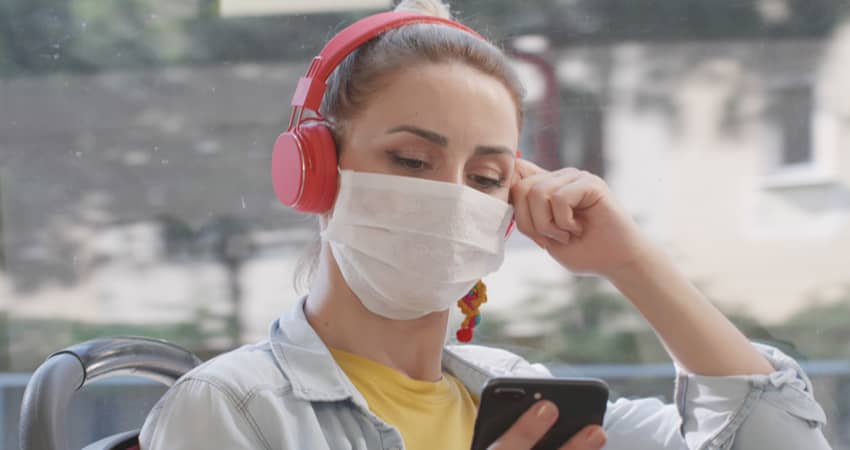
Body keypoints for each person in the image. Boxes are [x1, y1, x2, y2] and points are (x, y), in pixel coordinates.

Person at [139, 1, 832, 449]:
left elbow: (775, 440)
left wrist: (631, 263)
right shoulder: (232, 409)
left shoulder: (513, 394)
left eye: (487, 178)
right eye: (412, 159)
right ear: (315, 171)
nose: (450, 197)